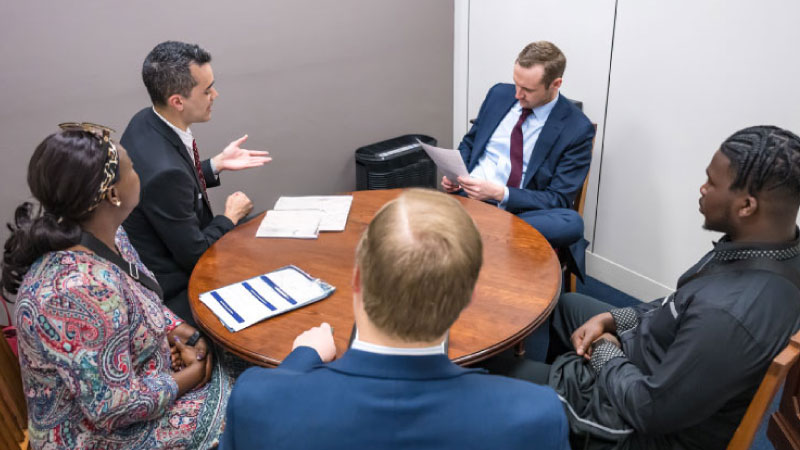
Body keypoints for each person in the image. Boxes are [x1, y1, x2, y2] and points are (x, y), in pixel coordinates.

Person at [514, 126, 800, 449]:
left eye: (712, 183)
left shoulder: (729, 314)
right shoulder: (769, 247)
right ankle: (559, 420)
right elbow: (678, 303)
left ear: (747, 206)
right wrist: (611, 320)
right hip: (656, 359)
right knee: (568, 307)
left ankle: (554, 409)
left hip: (640, 427)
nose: (702, 189)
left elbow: (649, 411)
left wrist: (606, 351)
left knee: (503, 377)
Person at [220, 189, 570, 450]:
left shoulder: (256, 399)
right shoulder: (535, 415)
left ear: (356, 280)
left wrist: (300, 360)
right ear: (468, 299)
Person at [2, 124, 232, 449]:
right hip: (101, 437)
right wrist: (191, 375)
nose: (139, 172)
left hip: (148, 380)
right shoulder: (71, 291)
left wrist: (186, 334)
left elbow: (140, 300)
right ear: (113, 194)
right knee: (249, 408)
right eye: (133, 167)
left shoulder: (112, 235)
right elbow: (113, 408)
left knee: (245, 369)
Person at [121, 41, 271, 323]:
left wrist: (215, 165)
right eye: (207, 90)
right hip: (178, 291)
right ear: (178, 101)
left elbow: (167, 188)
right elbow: (196, 255)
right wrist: (230, 216)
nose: (215, 94)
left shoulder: (145, 121)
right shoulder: (165, 173)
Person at [444, 40, 594, 277]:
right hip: (470, 197)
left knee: (571, 222)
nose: (517, 94)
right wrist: (456, 174)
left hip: (522, 213)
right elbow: (471, 142)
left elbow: (558, 199)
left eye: (528, 90)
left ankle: (485, 233)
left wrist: (499, 193)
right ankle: (487, 235)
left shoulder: (577, 128)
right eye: (516, 83)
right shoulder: (498, 94)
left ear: (555, 84)